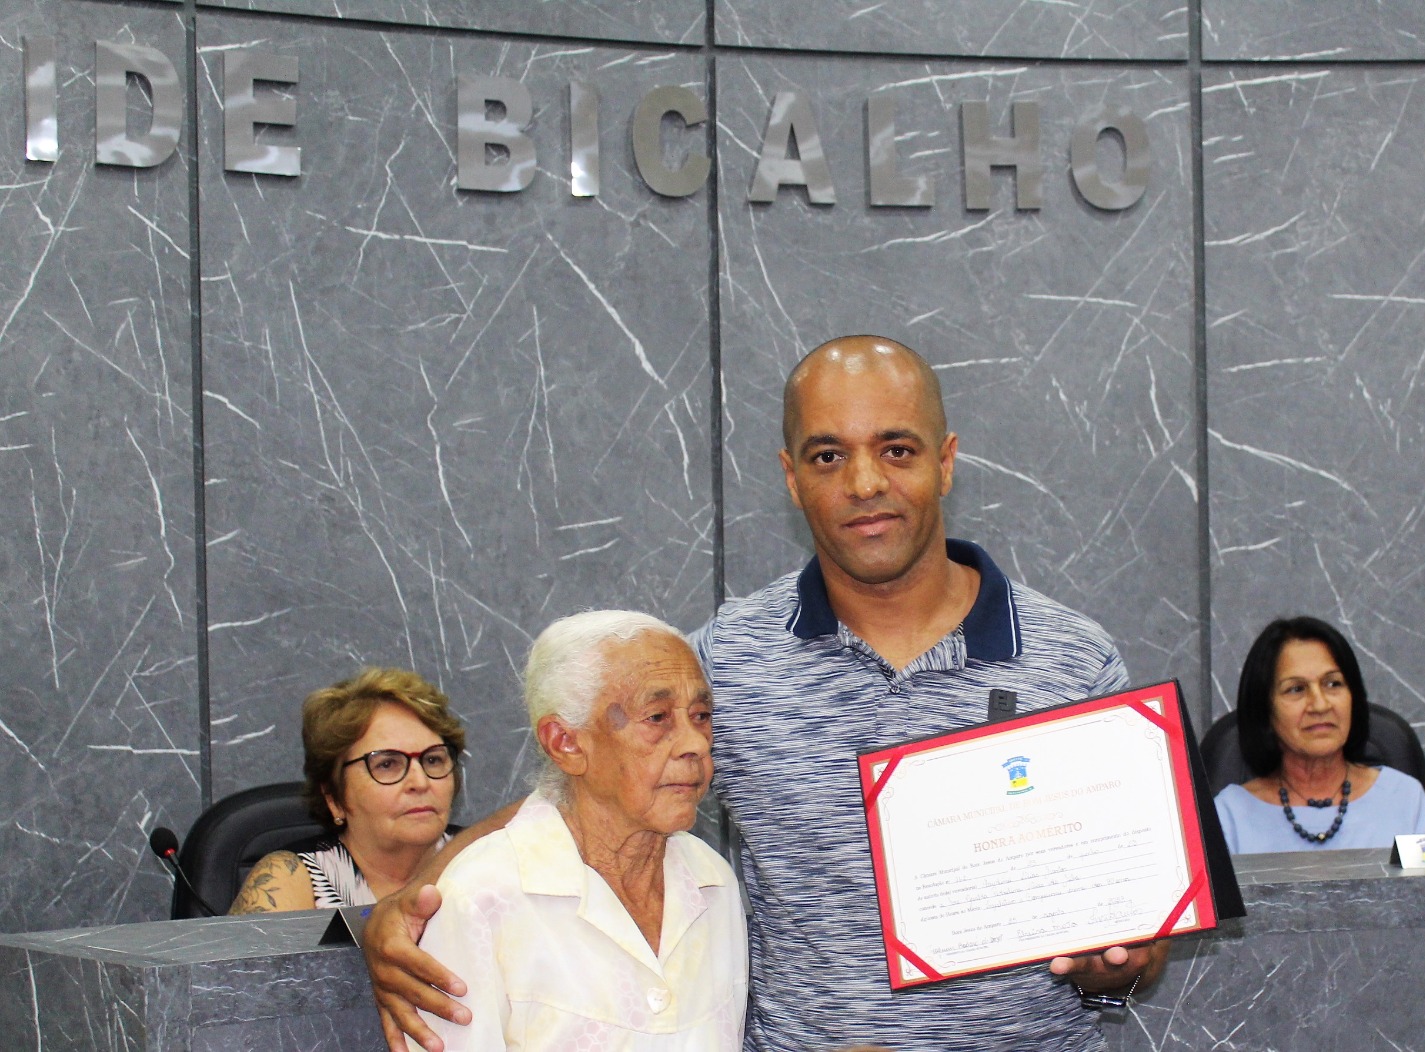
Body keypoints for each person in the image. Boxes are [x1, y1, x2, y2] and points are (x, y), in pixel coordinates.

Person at [366, 335, 1211, 1051]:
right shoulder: (726, 662)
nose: (865, 483)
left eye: (897, 449)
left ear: (947, 463)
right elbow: (588, 790)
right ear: (790, 476)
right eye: (828, 455)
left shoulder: (1070, 661)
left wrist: (1125, 965)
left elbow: (1134, 935)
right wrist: (414, 897)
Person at [408, 611, 746, 1051]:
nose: (696, 743)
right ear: (565, 743)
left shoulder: (711, 880)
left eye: (701, 715)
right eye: (658, 717)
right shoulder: (482, 897)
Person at [230, 667, 464, 912]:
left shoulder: (491, 859)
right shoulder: (291, 879)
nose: (421, 782)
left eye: (433, 760)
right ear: (334, 798)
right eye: (387, 764)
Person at [1213, 616, 1425, 854]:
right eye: (1296, 689)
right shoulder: (1230, 816)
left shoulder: (1405, 799)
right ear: (1265, 710)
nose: (1320, 705)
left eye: (1333, 684)